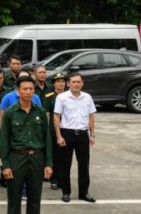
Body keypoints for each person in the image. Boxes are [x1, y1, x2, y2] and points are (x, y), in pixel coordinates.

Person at [0, 76, 53, 214]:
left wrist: (48, 163)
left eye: (31, 89)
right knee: (14, 199)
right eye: (24, 89)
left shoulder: (40, 111)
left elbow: (46, 138)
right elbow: (4, 140)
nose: (28, 92)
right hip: (16, 158)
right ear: (18, 91)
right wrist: (5, 165)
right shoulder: (10, 113)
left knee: (35, 200)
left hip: (37, 158)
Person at [54, 73, 97, 203]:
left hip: (83, 135)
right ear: (68, 83)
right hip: (67, 134)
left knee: (84, 165)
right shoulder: (62, 97)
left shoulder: (87, 97)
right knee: (65, 165)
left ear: (82, 83)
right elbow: (56, 117)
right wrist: (59, 136)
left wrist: (92, 134)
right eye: (73, 82)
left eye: (78, 82)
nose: (76, 84)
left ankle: (84, 193)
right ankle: (66, 192)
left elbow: (91, 116)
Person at [42, 72, 67, 190]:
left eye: (62, 81)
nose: (60, 83)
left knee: (65, 156)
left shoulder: (69, 95)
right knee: (54, 155)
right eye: (58, 81)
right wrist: (46, 130)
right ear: (54, 84)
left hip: (67, 129)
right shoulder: (49, 96)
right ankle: (54, 179)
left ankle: (63, 179)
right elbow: (47, 115)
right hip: (53, 129)